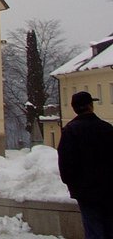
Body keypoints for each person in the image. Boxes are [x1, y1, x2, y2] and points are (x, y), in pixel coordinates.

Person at [57, 91, 113, 239]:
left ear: (74, 108)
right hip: (109, 189)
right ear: (91, 106)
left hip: (85, 192)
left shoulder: (70, 131)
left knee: (93, 229)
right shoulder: (106, 128)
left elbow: (65, 164)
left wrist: (74, 184)